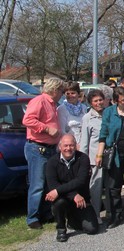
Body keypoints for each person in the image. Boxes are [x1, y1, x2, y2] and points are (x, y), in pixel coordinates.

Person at [23, 78, 64, 229]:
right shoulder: (39, 101)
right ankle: (32, 218)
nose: (62, 94)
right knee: (37, 184)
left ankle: (46, 213)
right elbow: (28, 120)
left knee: (48, 183)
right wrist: (47, 129)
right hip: (37, 148)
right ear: (54, 90)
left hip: (50, 148)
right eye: (61, 91)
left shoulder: (53, 104)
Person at [96, 86, 124, 228]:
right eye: (123, 100)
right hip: (114, 153)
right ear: (116, 101)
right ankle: (115, 215)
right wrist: (99, 154)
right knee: (114, 187)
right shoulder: (108, 112)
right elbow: (103, 134)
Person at [45, 134, 99, 242]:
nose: (68, 148)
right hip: (64, 199)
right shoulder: (51, 162)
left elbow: (80, 181)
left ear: (75, 146)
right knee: (58, 202)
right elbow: (53, 186)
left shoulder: (83, 158)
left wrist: (59, 191)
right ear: (60, 147)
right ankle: (61, 228)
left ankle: (72, 219)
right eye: (65, 146)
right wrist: (73, 195)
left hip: (81, 200)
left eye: (71, 145)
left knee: (92, 229)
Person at [80, 90, 107, 224]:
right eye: (95, 101)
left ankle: (111, 212)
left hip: (110, 155)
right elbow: (84, 141)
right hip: (95, 158)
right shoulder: (87, 118)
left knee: (110, 186)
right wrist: (84, 162)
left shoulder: (109, 113)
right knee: (96, 188)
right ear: (90, 103)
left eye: (100, 100)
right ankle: (96, 214)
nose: (98, 103)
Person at [57, 81, 87, 146]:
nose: (70, 96)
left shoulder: (84, 108)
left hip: (83, 143)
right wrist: (74, 145)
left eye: (73, 93)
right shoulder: (61, 109)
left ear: (78, 94)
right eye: (68, 93)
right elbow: (62, 131)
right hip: (69, 145)